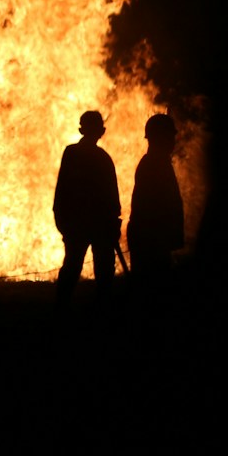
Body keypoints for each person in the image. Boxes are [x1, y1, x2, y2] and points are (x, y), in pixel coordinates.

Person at [52, 110, 122, 314]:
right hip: (92, 224)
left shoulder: (72, 153)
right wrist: (112, 220)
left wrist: (62, 219)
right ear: (102, 131)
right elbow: (111, 196)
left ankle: (62, 307)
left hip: (81, 223)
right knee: (101, 268)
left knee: (75, 266)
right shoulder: (102, 158)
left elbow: (62, 191)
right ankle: (102, 306)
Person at [127, 113, 184, 305]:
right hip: (151, 240)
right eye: (170, 136)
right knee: (152, 294)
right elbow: (153, 207)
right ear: (160, 137)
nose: (173, 140)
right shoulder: (153, 165)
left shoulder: (158, 163)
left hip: (153, 239)